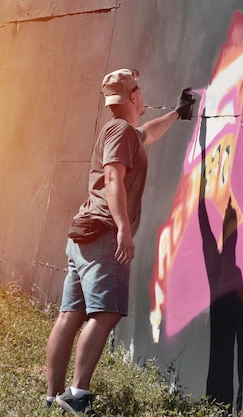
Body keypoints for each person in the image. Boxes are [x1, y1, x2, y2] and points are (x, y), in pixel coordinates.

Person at [45, 68, 195, 415]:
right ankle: (77, 394)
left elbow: (146, 134)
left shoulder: (125, 132)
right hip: (103, 235)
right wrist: (123, 228)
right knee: (107, 312)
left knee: (71, 314)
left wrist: (177, 112)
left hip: (85, 234)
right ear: (133, 97)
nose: (142, 95)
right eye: (139, 91)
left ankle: (53, 398)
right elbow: (113, 176)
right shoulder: (121, 131)